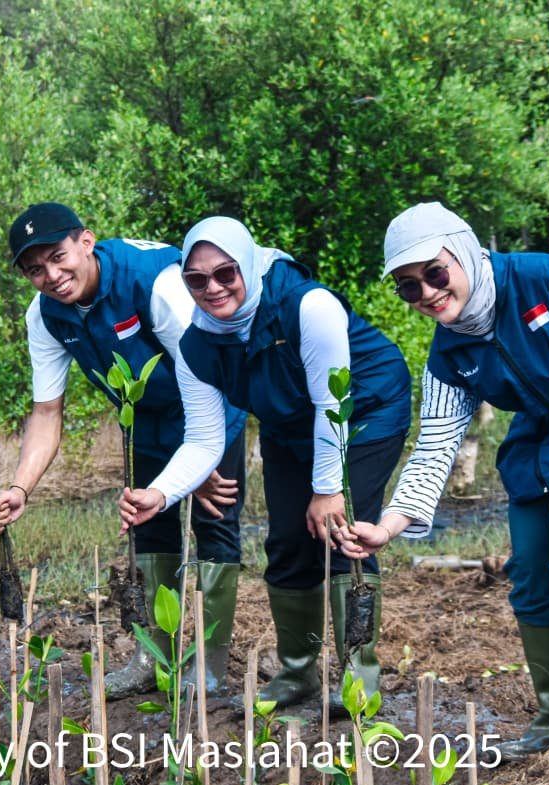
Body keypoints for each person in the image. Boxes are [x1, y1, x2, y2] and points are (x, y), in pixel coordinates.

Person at [343, 202, 549, 761]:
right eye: (408, 286)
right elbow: (436, 446)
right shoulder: (447, 355)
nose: (427, 292)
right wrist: (389, 525)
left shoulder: (547, 278)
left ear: (464, 253)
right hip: (547, 430)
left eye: (435, 273)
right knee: (530, 565)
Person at [119, 216, 411, 709]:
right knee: (287, 541)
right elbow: (204, 439)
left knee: (344, 533)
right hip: (287, 423)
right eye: (196, 280)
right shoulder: (196, 345)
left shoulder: (308, 306)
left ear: (248, 266)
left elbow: (332, 403)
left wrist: (327, 490)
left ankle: (359, 681)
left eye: (225, 273)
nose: (212, 288)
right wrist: (160, 493)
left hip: (364, 410)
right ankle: (298, 674)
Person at [0, 203, 248, 698]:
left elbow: (206, 369)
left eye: (58, 257)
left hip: (213, 401)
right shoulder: (44, 315)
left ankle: (211, 666)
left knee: (214, 524)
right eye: (35, 270)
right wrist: (20, 487)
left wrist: (197, 463)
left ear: (86, 241)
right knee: (147, 525)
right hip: (143, 419)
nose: (51, 276)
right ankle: (153, 659)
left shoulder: (155, 284)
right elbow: (46, 413)